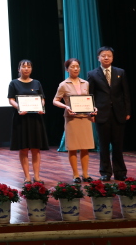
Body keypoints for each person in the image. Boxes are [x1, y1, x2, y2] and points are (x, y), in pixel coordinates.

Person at [87, 46, 131, 181]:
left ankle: (120, 172)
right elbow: (90, 95)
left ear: (112, 58)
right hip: (101, 114)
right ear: (98, 58)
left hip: (118, 113)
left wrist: (127, 111)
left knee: (118, 145)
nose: (106, 58)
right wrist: (91, 113)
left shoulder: (120, 72)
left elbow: (126, 93)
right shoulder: (92, 74)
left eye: (109, 55)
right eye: (103, 55)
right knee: (104, 145)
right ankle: (105, 172)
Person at [53, 58, 97, 183]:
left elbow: (88, 100)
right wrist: (66, 107)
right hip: (72, 119)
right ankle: (76, 175)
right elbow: (55, 100)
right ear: (67, 69)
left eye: (77, 66)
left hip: (85, 118)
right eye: (72, 67)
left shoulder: (85, 83)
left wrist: (93, 109)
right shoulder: (63, 84)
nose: (75, 69)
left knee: (85, 147)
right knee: (72, 147)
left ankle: (86, 174)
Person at [7, 59, 49, 184]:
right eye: (23, 66)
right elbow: (11, 99)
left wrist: (41, 107)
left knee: (36, 148)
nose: (26, 68)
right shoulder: (14, 83)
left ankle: (37, 176)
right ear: (19, 69)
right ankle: (27, 177)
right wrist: (19, 108)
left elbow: (42, 99)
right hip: (21, 119)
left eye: (29, 66)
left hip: (35, 119)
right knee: (23, 148)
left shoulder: (36, 83)